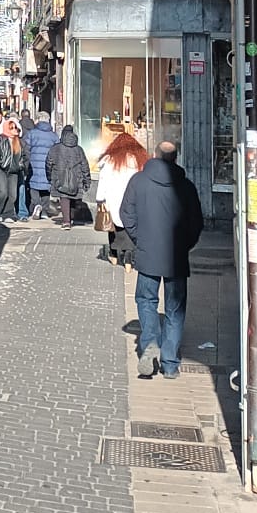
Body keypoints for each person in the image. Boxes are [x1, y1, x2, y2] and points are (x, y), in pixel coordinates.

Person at [121, 137, 205, 379]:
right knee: (175, 309)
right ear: (175, 158)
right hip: (176, 257)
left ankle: (149, 344)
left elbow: (126, 213)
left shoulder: (138, 181)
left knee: (146, 301)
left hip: (148, 254)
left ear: (154, 156)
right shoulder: (186, 186)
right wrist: (185, 244)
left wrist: (140, 239)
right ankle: (170, 363)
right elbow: (196, 223)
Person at [95, 130, 148, 267]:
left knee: (112, 227)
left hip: (112, 199)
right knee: (130, 226)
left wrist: (100, 199)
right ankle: (129, 258)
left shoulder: (110, 160)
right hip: (131, 199)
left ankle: (113, 254)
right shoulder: (138, 160)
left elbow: (103, 180)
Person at [47, 124, 91, 229]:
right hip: (76, 178)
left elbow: (49, 163)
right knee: (73, 197)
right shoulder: (79, 150)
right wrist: (87, 180)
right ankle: (70, 218)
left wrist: (49, 176)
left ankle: (66, 221)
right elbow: (85, 165)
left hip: (59, 177)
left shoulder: (55, 148)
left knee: (64, 198)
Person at [23, 112, 58, 219]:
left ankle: (36, 205)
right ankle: (44, 210)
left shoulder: (32, 133)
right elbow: (57, 150)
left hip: (34, 164)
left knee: (33, 186)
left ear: (38, 120)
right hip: (48, 166)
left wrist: (26, 162)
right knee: (46, 187)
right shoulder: (54, 135)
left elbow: (26, 149)